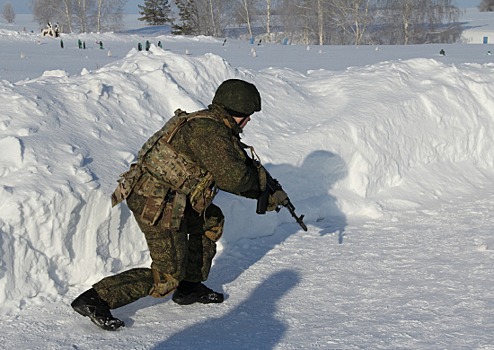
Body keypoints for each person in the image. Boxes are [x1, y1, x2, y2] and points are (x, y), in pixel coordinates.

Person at [71, 79, 288, 331]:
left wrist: (264, 191)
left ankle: (190, 287)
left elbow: (232, 169)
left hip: (172, 198)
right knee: (166, 276)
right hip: (155, 203)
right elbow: (234, 177)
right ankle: (96, 298)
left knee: (210, 219)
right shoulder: (210, 132)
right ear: (235, 112)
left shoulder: (212, 124)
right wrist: (264, 190)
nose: (249, 121)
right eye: (247, 116)